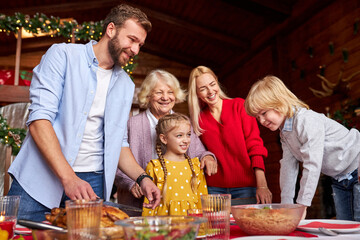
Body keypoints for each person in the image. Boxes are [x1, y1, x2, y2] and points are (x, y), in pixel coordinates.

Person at [7, 4, 161, 221]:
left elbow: (119, 143)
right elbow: (39, 121)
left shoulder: (126, 84)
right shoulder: (62, 55)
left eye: (140, 45)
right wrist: (69, 177)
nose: (136, 50)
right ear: (111, 30)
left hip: (92, 183)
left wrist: (142, 178)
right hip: (40, 177)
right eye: (132, 39)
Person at [244, 75, 360, 220]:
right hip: (339, 179)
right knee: (346, 225)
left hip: (357, 167)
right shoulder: (285, 133)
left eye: (263, 113)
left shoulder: (306, 121)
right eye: (257, 117)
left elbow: (312, 163)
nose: (261, 120)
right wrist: (285, 207)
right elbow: (288, 167)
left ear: (279, 102)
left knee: (357, 225)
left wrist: (302, 204)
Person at [115, 69, 216, 214]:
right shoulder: (132, 124)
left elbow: (198, 152)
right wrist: (132, 182)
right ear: (148, 95)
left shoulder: (184, 121)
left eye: (170, 92)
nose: (165, 97)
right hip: (139, 203)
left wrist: (207, 156)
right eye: (159, 92)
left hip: (177, 202)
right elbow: (117, 160)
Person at [188, 66, 272, 204]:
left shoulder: (240, 106)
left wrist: (262, 185)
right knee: (216, 226)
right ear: (197, 93)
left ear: (217, 82)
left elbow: (255, 146)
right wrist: (206, 156)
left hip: (246, 188)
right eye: (203, 88)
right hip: (213, 189)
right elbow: (196, 151)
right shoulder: (198, 120)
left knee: (246, 226)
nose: (210, 91)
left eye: (212, 84)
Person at [142, 113, 208, 216]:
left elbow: (203, 202)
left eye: (188, 134)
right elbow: (149, 205)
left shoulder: (196, 166)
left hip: (192, 225)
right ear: (164, 139)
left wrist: (203, 229)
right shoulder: (155, 167)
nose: (186, 140)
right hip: (164, 227)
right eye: (179, 135)